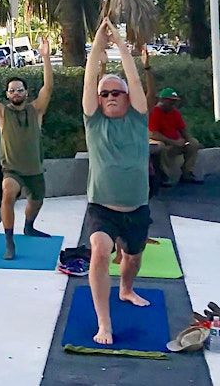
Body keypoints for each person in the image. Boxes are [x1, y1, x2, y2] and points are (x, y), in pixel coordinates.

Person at [82, 18, 152, 346]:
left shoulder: (138, 119)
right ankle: (104, 323)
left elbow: (134, 78)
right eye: (104, 93)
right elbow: (89, 74)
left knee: (133, 258)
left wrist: (121, 44)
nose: (110, 96)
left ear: (126, 97)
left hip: (137, 207)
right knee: (99, 251)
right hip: (102, 207)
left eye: (116, 92)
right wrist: (98, 42)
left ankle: (126, 289)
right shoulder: (94, 122)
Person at [0, 37, 54, 260]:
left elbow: (48, 87)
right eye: (12, 91)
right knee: (8, 193)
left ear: (26, 93)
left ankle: (29, 226)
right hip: (12, 170)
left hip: (35, 169)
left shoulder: (36, 111)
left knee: (36, 201)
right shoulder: (1, 113)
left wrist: (45, 58)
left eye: (20, 90)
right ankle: (9, 241)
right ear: (7, 94)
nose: (16, 93)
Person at [146, 52, 203, 185]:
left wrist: (188, 140)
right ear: (163, 100)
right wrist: (173, 141)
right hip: (164, 143)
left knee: (193, 144)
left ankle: (187, 172)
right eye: (171, 101)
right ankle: (165, 176)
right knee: (162, 149)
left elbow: (183, 129)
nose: (173, 104)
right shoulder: (155, 112)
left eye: (175, 101)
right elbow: (154, 134)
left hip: (176, 142)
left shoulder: (174, 112)